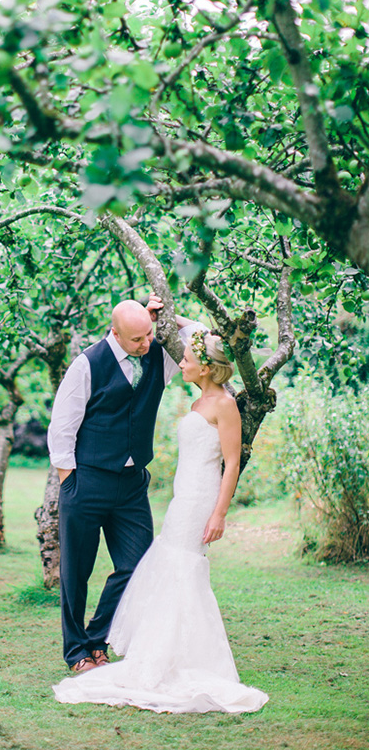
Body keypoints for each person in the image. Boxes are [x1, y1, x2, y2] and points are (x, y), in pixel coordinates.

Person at [53, 330, 269, 714]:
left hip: (199, 501)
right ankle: (156, 651)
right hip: (179, 498)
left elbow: (232, 462)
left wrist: (219, 512)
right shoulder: (200, 399)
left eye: (186, 358)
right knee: (166, 568)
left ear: (205, 367)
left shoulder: (226, 404)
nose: (179, 362)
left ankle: (175, 657)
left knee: (177, 569)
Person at [48, 295, 205, 673]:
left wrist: (167, 315)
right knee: (75, 573)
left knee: (137, 565)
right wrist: (70, 481)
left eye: (149, 335)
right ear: (115, 333)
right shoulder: (88, 364)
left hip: (132, 485)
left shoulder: (160, 355)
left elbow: (200, 335)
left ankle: (97, 637)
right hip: (86, 482)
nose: (145, 344)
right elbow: (62, 427)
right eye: (136, 339)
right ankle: (77, 653)